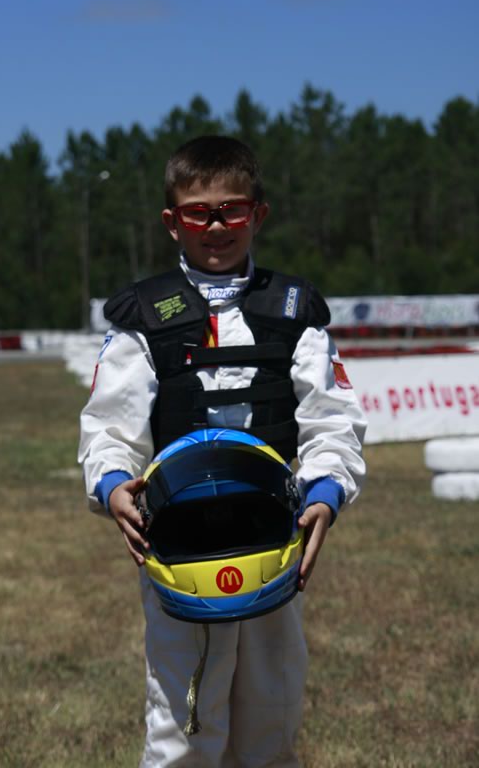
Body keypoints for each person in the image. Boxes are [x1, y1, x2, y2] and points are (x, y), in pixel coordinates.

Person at [78, 135, 367, 767]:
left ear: (258, 214)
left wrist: (323, 495)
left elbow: (334, 422)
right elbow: (107, 430)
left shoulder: (294, 314)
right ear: (171, 222)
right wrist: (114, 487)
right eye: (197, 212)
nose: (215, 226)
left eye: (232, 210)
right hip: (178, 547)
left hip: (276, 541)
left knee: (272, 711)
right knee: (184, 722)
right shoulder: (143, 319)